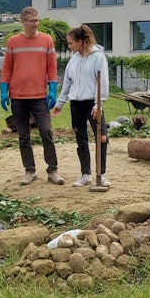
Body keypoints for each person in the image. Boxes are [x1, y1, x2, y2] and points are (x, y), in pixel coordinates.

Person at [0, 6, 63, 185]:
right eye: (31, 21)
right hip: (18, 96)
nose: (35, 24)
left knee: (46, 131)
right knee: (23, 135)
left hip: (38, 96)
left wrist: (52, 89)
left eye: (37, 20)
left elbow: (51, 67)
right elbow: (7, 69)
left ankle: (53, 170)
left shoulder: (46, 41)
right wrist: (4, 90)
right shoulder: (13, 42)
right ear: (23, 22)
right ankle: (30, 170)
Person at [53, 25, 110, 187]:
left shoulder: (98, 57)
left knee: (102, 137)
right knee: (81, 139)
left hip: (92, 103)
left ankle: (101, 173)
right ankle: (86, 174)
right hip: (76, 104)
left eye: (71, 43)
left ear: (80, 41)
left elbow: (103, 82)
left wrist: (98, 104)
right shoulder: (74, 58)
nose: (69, 46)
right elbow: (67, 82)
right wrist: (60, 103)